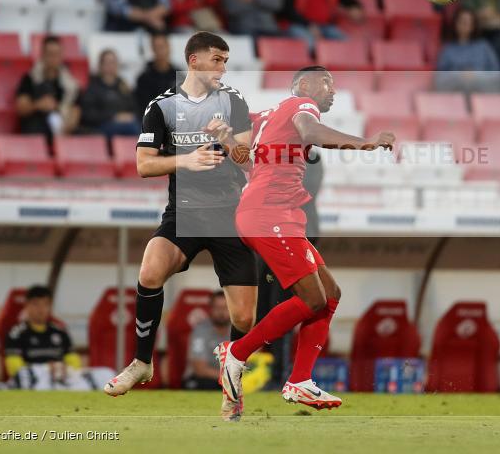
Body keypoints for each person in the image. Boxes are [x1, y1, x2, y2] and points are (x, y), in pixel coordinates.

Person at [216, 66, 396, 416]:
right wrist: (367, 143)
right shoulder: (302, 106)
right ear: (302, 84)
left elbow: (243, 151)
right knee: (312, 298)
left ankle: (299, 380)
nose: (332, 90)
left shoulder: (267, 116)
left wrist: (222, 134)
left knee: (329, 295)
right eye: (326, 81)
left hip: (272, 214)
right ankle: (236, 353)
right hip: (270, 215)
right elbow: (310, 130)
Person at [104, 33, 258, 424]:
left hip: (229, 215)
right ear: (194, 60)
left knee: (244, 319)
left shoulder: (234, 101)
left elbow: (248, 162)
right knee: (149, 270)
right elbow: (143, 165)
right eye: (217, 60)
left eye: (226, 61)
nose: (223, 68)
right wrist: (186, 161)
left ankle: (232, 391)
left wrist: (224, 136)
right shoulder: (162, 106)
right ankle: (142, 362)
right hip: (184, 213)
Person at [4, 285, 81, 386]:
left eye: (45, 304)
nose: (41, 309)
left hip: (60, 381)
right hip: (32, 382)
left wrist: (65, 373)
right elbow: (14, 367)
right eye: (36, 304)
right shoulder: (16, 333)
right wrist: (46, 370)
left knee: (104, 372)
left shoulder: (60, 331)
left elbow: (74, 363)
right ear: (26, 306)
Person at [15, 35, 79, 139]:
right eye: (50, 54)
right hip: (36, 125)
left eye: (56, 54)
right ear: (43, 55)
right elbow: (21, 108)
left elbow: (76, 110)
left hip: (62, 125)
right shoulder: (30, 78)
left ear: (62, 55)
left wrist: (69, 123)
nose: (53, 58)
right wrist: (38, 105)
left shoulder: (70, 84)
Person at [435, 8, 500, 92]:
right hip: (455, 94)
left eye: (469, 22)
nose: (465, 25)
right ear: (455, 23)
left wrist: (476, 75)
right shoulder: (448, 49)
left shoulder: (483, 46)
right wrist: (459, 75)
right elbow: (439, 78)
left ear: (473, 25)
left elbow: (497, 73)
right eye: (462, 21)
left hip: (482, 93)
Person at [77, 49, 141, 138]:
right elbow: (87, 115)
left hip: (126, 125)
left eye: (113, 62)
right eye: (107, 63)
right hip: (101, 128)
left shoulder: (123, 86)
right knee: (133, 128)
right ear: (100, 65)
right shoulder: (93, 87)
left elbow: (134, 108)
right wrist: (113, 116)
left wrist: (130, 116)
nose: (111, 66)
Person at [183, 290, 231, 391]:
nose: (221, 312)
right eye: (217, 308)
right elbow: (200, 369)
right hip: (202, 380)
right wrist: (230, 378)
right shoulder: (200, 331)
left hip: (228, 380)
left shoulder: (238, 330)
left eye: (225, 308)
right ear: (210, 309)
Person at [135, 33, 180, 116]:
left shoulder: (178, 74)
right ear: (152, 49)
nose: (160, 51)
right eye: (156, 48)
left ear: (169, 48)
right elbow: (143, 107)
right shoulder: (144, 78)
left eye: (162, 47)